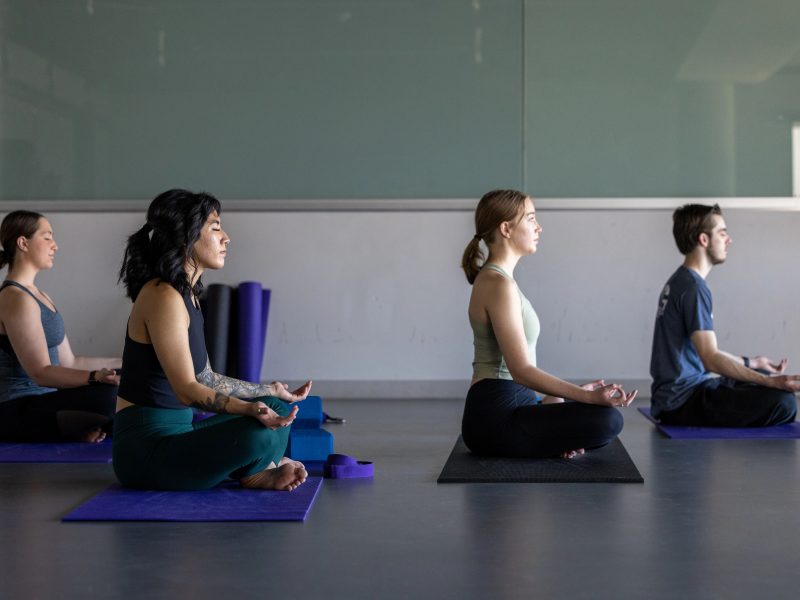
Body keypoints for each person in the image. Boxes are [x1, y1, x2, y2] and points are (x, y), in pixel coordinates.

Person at [113, 189, 310, 491]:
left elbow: (205, 377)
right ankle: (260, 467)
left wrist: (268, 391)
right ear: (185, 237)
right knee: (256, 428)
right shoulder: (161, 295)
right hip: (146, 453)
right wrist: (248, 409)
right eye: (216, 227)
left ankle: (259, 468)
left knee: (274, 406)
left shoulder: (187, 294)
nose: (226, 237)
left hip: (180, 433)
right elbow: (187, 391)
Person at [460, 189, 636, 459]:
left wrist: (561, 400)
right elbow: (520, 370)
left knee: (593, 415)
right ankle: (549, 438)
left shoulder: (502, 281)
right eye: (530, 218)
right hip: (494, 416)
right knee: (609, 421)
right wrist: (583, 396)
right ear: (506, 228)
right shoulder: (497, 284)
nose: (539, 227)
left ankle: (550, 436)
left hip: (515, 402)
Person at [649, 204, 799, 426]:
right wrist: (773, 383)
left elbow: (708, 353)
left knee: (759, 373)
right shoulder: (694, 288)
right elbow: (710, 359)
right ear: (704, 239)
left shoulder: (681, 280)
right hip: (682, 401)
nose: (729, 240)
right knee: (784, 402)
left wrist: (752, 362)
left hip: (677, 395)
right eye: (722, 233)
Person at [0, 210, 120, 443]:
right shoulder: (15, 298)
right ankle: (78, 427)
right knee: (111, 396)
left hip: (49, 401)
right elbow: (41, 373)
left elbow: (71, 362)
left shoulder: (40, 296)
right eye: (47, 237)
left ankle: (78, 427)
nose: (55, 246)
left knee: (134, 380)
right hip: (17, 408)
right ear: (23, 243)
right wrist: (96, 377)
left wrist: (127, 363)